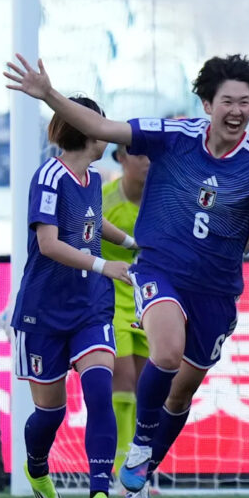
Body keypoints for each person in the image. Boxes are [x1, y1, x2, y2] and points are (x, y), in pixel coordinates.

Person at [5, 53, 249, 498]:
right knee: (164, 352)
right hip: (159, 271)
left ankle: (141, 474)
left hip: (217, 292)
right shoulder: (173, 136)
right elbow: (103, 129)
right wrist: (48, 94)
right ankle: (139, 445)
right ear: (207, 103)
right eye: (228, 100)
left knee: (181, 393)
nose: (237, 110)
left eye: (246, 102)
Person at [10, 96, 136, 498]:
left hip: (89, 307)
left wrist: (132, 243)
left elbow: (92, 221)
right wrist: (104, 265)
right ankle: (37, 467)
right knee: (50, 414)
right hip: (42, 312)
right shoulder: (49, 176)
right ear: (85, 129)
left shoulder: (94, 178)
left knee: (100, 390)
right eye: (99, 121)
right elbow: (48, 244)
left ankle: (99, 494)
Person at [101, 145, 149, 477]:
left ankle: (142, 465)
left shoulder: (165, 201)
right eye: (138, 153)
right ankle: (121, 466)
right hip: (109, 301)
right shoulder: (103, 199)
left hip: (150, 301)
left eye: (151, 154)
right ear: (120, 157)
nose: (146, 160)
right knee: (124, 376)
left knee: (148, 386)